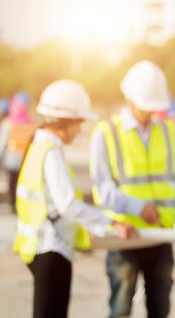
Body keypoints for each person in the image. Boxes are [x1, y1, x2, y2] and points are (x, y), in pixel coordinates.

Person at [13, 80, 137, 318]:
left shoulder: (38, 145)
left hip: (41, 246)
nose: (80, 131)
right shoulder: (51, 152)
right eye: (78, 123)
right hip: (51, 247)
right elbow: (67, 203)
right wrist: (109, 223)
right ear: (65, 122)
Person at [89, 60, 175, 318]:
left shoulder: (168, 131)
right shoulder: (106, 133)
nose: (151, 111)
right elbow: (102, 190)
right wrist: (137, 208)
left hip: (160, 234)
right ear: (131, 99)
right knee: (122, 305)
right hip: (126, 234)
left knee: (160, 303)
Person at [0, 91, 36, 213]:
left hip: (24, 159)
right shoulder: (9, 123)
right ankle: (13, 204)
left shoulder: (30, 122)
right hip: (13, 159)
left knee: (20, 183)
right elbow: (3, 141)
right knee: (12, 182)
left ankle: (18, 204)